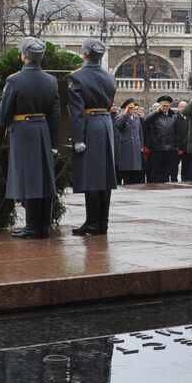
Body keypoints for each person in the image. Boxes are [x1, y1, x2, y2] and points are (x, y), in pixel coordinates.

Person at [0, 37, 60, 238]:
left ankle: (33, 226)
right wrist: (54, 141)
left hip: (23, 130)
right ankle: (43, 225)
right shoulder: (51, 80)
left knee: (30, 179)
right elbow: (55, 113)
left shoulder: (14, 80)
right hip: (43, 129)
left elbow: (3, 113)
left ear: (24, 55)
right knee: (44, 179)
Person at [68, 37, 117, 235]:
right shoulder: (109, 76)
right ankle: (102, 222)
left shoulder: (77, 77)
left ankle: (92, 222)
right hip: (106, 124)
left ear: (85, 54)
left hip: (90, 125)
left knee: (92, 177)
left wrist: (78, 138)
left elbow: (77, 112)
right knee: (104, 178)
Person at [142, 96, 181, 183]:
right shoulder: (155, 116)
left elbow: (177, 131)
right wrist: (156, 112)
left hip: (170, 147)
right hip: (158, 147)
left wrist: (176, 145)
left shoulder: (173, 116)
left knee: (167, 169)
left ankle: (165, 183)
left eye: (167, 106)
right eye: (163, 106)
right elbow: (146, 120)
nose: (165, 107)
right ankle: (157, 184)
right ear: (160, 106)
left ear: (169, 106)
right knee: (157, 169)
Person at [114, 98, 144, 184]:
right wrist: (123, 115)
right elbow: (117, 125)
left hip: (136, 147)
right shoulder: (121, 117)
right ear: (126, 108)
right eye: (130, 108)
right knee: (127, 170)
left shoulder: (136, 118)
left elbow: (140, 132)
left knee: (135, 171)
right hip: (126, 147)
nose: (132, 110)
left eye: (133, 108)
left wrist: (141, 145)